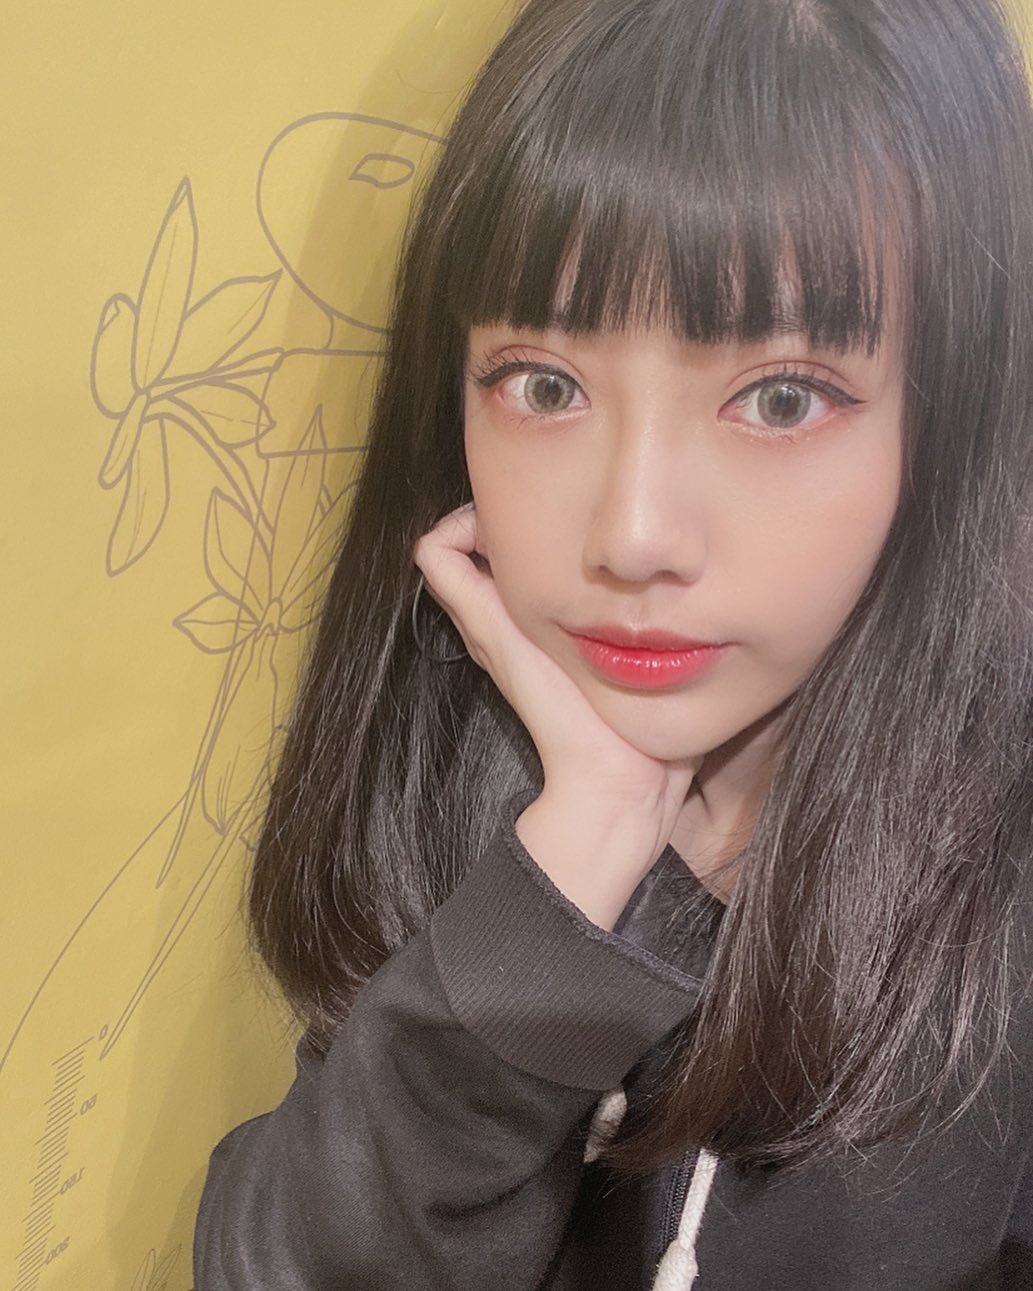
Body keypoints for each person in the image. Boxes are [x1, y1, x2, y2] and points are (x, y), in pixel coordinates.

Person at [193, 0, 1033, 1286]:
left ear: (954, 424)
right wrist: (571, 865)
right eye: (543, 384)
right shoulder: (457, 763)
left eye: (781, 398)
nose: (632, 536)